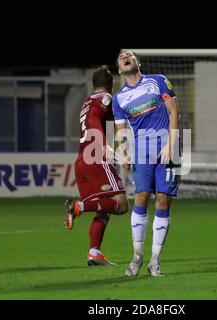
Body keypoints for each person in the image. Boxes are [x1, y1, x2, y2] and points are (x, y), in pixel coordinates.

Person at [113, 50, 181, 276]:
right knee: (141, 197)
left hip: (167, 147)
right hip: (142, 150)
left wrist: (171, 145)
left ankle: (155, 261)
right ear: (120, 68)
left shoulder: (159, 81)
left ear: (137, 62)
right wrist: (124, 152)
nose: (125, 57)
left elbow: (174, 112)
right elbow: (121, 130)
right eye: (121, 57)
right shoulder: (119, 98)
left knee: (163, 200)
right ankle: (137, 257)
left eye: (129, 54)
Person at [65, 65, 128, 266]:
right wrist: (103, 145)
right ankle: (79, 206)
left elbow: (100, 118)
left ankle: (94, 252)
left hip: (82, 160)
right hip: (96, 157)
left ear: (94, 84)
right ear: (110, 86)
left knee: (105, 207)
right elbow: (94, 120)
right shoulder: (105, 98)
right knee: (121, 204)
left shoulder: (87, 101)